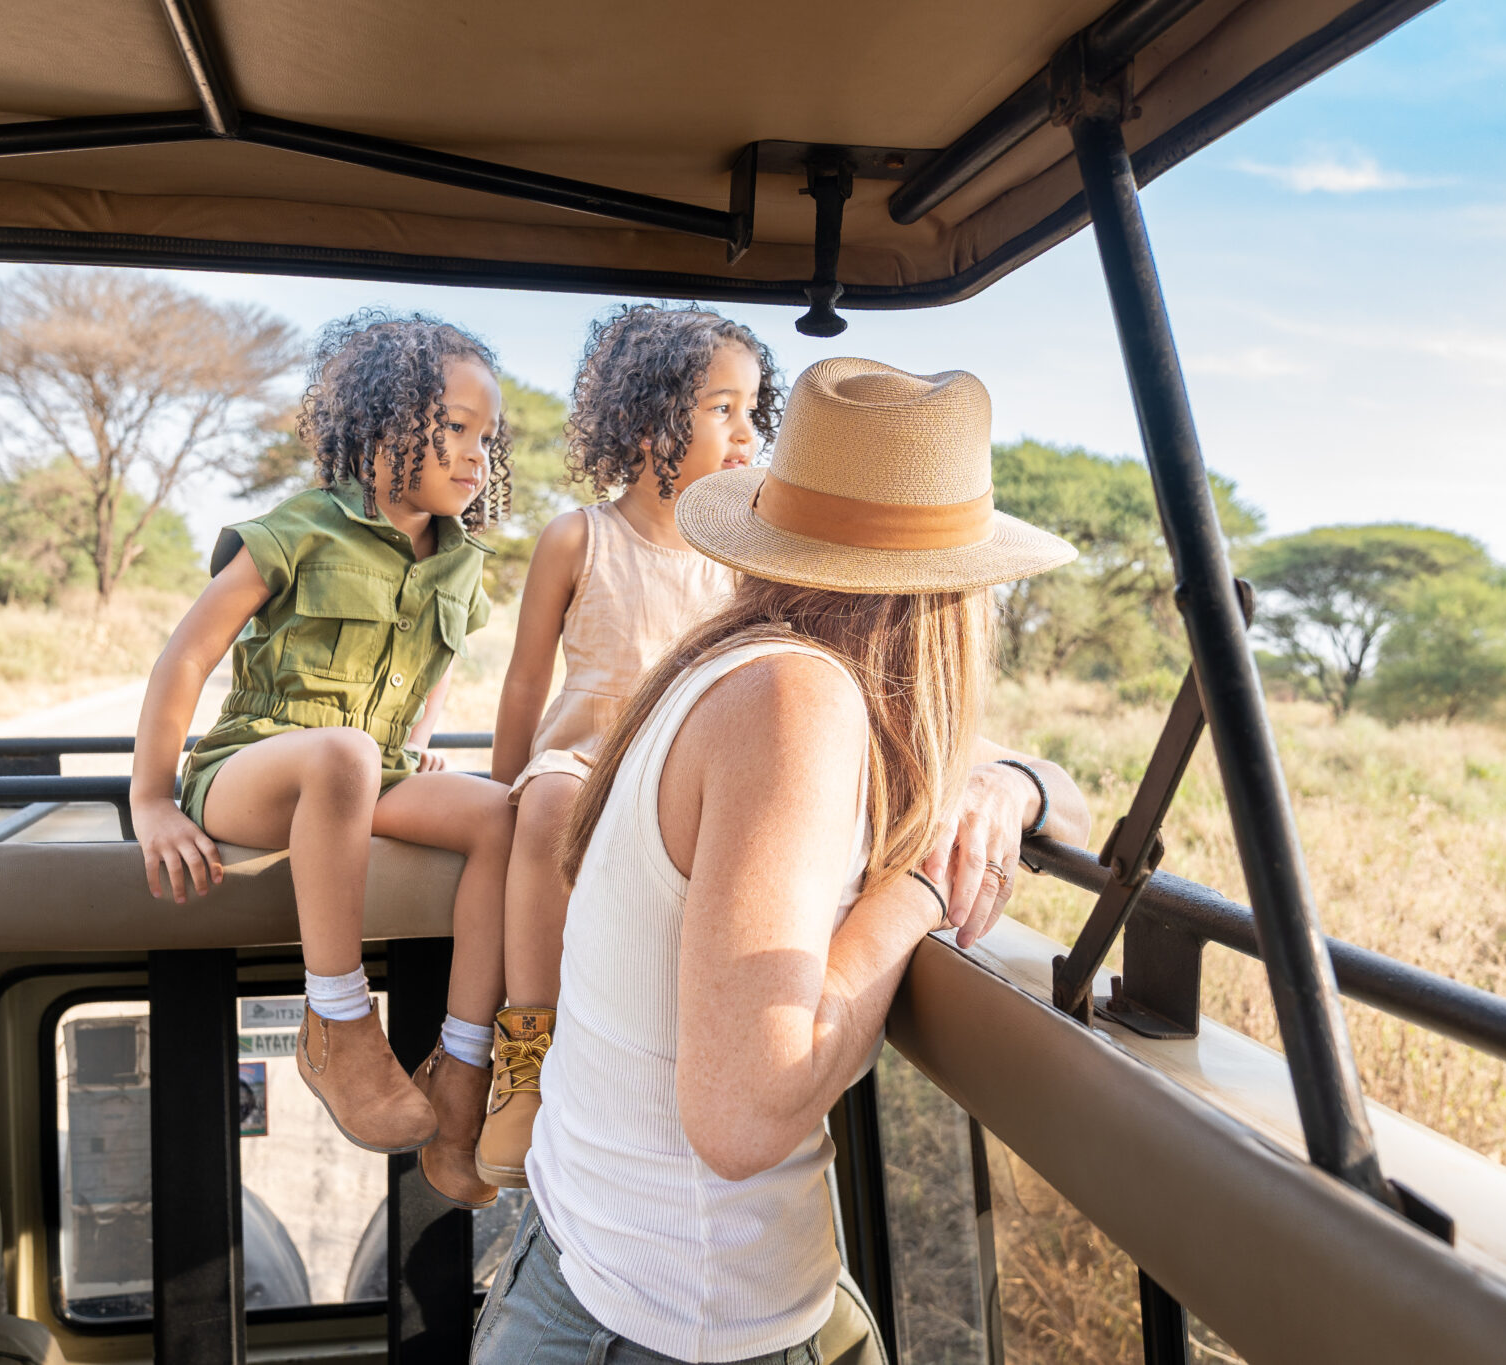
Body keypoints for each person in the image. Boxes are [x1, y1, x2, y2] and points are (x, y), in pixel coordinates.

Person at [473, 357, 1088, 1363]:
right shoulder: (793, 706)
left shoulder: (740, 667)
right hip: (669, 1325)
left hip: (586, 1268)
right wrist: (920, 891)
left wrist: (1006, 783)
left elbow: (1070, 793)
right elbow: (743, 1117)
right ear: (954, 597)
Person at [130, 310, 514, 1209]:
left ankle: (462, 1066)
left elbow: (433, 685)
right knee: (339, 753)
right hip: (253, 772)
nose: (477, 457)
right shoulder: (300, 526)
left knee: (503, 809)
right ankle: (337, 1020)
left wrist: (418, 753)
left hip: (364, 773)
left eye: (487, 439)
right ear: (384, 424)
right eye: (456, 429)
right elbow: (186, 656)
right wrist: (151, 798)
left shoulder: (461, 565)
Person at [478, 305, 779, 1189]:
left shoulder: (746, 559)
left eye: (753, 410)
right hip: (584, 769)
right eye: (722, 408)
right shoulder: (580, 537)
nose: (747, 431)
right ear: (649, 419)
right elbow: (525, 686)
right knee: (547, 802)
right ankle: (525, 1055)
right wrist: (501, 795)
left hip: (683, 782)